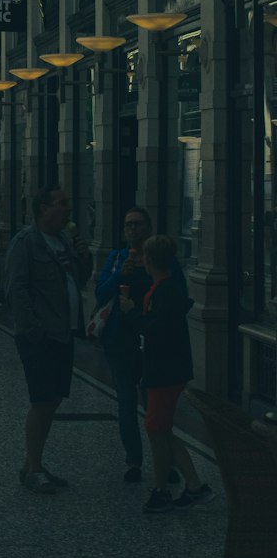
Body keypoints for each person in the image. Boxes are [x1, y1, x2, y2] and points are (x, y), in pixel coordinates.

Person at [5, 186, 93, 494]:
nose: (69, 208)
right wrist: (33, 328)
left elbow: (79, 279)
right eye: (62, 203)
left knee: (53, 399)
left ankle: (33, 464)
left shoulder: (64, 241)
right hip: (40, 335)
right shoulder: (26, 242)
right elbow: (16, 288)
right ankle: (35, 468)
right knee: (42, 400)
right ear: (44, 208)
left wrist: (85, 257)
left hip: (64, 331)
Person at [120, 235, 215, 514]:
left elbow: (155, 330)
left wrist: (131, 312)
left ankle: (192, 485)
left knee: (156, 428)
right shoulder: (168, 286)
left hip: (164, 370)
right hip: (166, 368)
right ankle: (170, 488)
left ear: (149, 260)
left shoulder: (163, 292)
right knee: (160, 429)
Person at [93, 206, 157, 482]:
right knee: (127, 402)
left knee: (153, 404)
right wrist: (120, 274)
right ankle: (134, 461)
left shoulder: (158, 257)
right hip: (119, 339)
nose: (132, 229)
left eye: (138, 224)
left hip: (151, 340)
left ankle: (166, 460)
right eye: (128, 225)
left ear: (148, 227)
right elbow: (100, 292)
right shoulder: (117, 257)